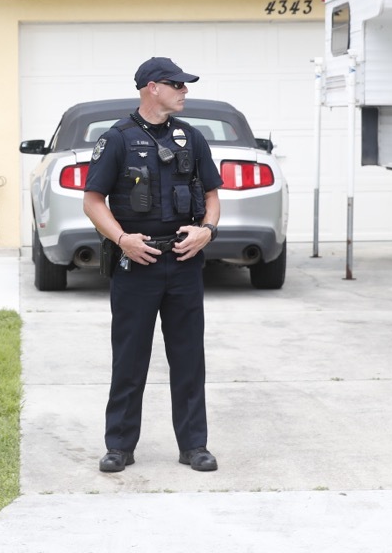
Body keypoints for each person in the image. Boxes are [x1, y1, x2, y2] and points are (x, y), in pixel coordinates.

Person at [83, 56, 222, 473]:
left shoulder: (191, 138)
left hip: (183, 261)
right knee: (129, 358)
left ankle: (194, 445)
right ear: (152, 87)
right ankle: (120, 447)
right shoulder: (118, 139)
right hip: (137, 263)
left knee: (188, 358)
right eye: (177, 85)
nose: (184, 91)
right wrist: (123, 239)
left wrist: (207, 231)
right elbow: (93, 201)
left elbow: (213, 194)